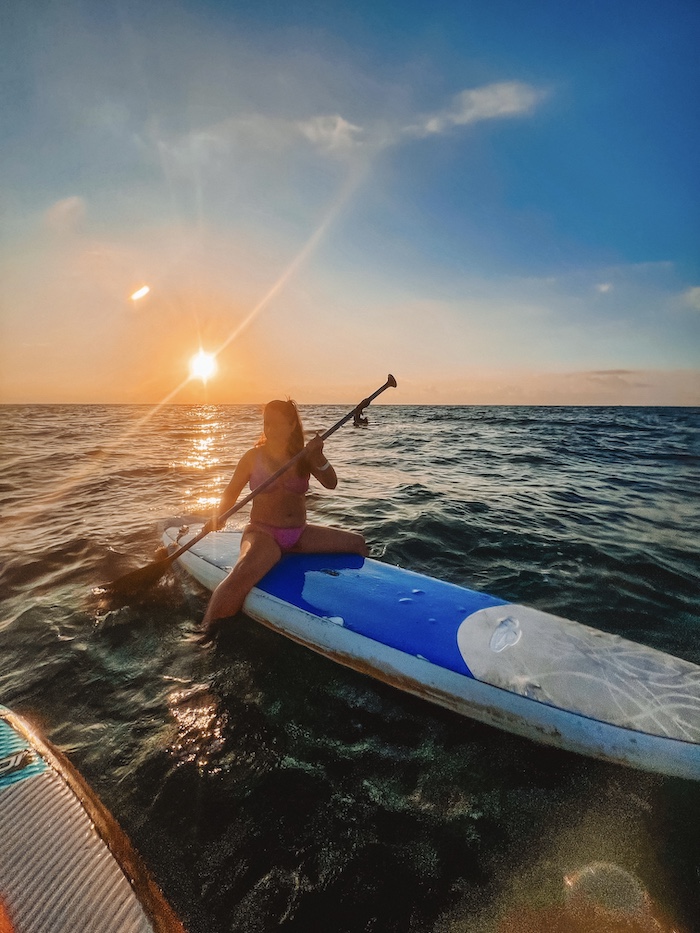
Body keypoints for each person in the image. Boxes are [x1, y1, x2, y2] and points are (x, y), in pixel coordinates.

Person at [199, 399, 368, 639]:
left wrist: (318, 456)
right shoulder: (252, 457)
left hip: (299, 534)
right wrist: (219, 517)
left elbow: (331, 483)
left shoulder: (304, 456)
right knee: (240, 575)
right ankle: (204, 634)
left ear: (291, 425)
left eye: (277, 424)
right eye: (267, 424)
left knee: (357, 544)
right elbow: (231, 493)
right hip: (262, 534)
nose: (270, 429)